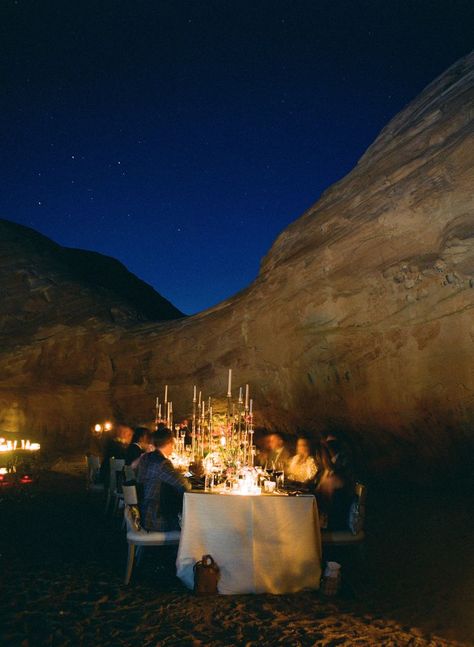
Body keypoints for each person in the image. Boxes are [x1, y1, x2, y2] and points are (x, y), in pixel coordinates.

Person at [137, 427, 191, 531]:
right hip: (155, 518)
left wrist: (183, 474)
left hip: (142, 511)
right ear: (170, 443)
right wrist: (191, 474)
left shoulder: (146, 457)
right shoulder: (162, 463)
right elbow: (184, 485)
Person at [316, 433, 355, 531]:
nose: (330, 447)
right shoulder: (330, 463)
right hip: (330, 510)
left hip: (338, 514)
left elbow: (342, 482)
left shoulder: (344, 461)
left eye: (332, 444)